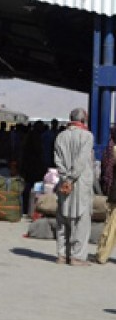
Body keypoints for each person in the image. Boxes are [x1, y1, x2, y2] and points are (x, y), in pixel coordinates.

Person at [54, 108, 94, 266]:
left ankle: (62, 255)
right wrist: (71, 178)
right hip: (80, 183)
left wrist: (64, 177)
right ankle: (77, 256)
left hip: (64, 183)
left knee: (63, 218)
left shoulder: (60, 136)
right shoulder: (87, 136)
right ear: (84, 119)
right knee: (81, 219)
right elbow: (81, 160)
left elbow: (57, 160)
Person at [96, 126, 116, 264]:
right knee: (112, 225)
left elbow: (106, 172)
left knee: (111, 226)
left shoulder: (110, 148)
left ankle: (102, 254)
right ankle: (102, 255)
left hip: (113, 191)